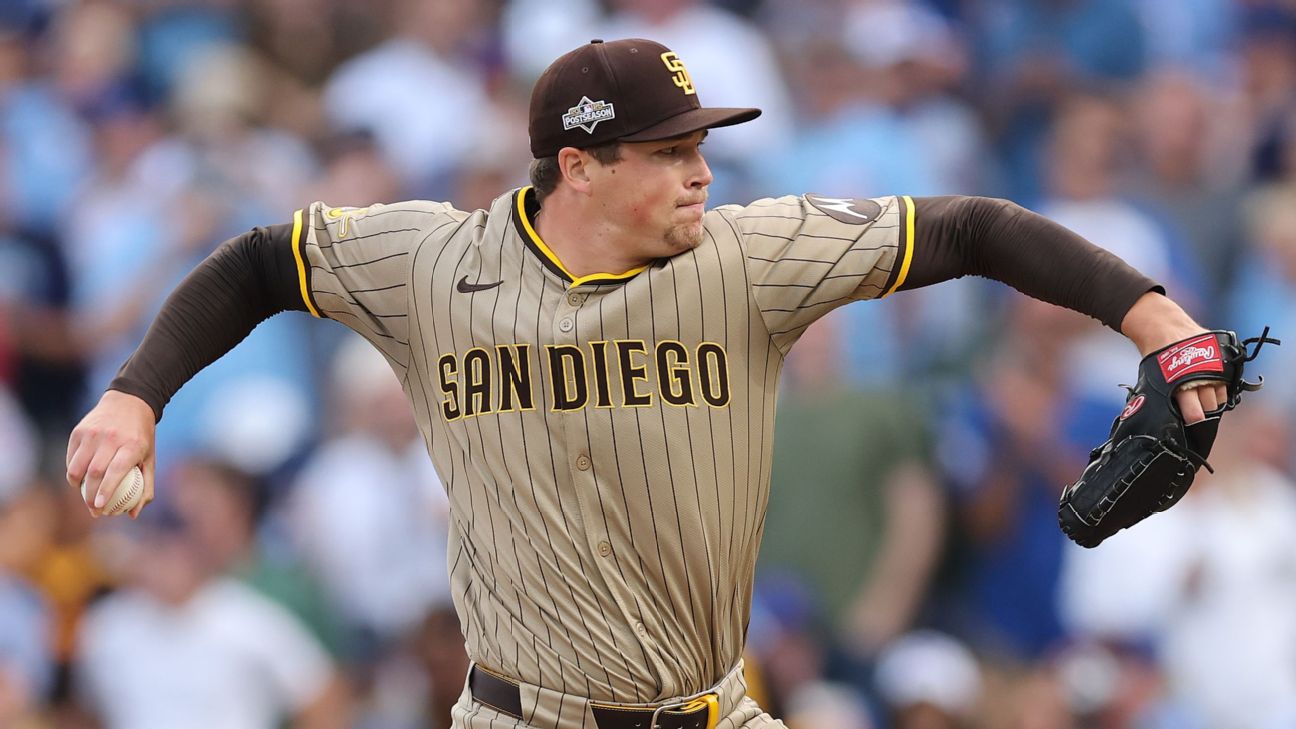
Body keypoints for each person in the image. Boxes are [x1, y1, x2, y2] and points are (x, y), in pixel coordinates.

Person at [66, 38, 1228, 729]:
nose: (701, 172)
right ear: (578, 167)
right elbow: (260, 261)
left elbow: (971, 226)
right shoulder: (433, 263)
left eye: (701, 145)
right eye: (671, 151)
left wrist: (1158, 318)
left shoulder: (749, 256)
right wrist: (135, 394)